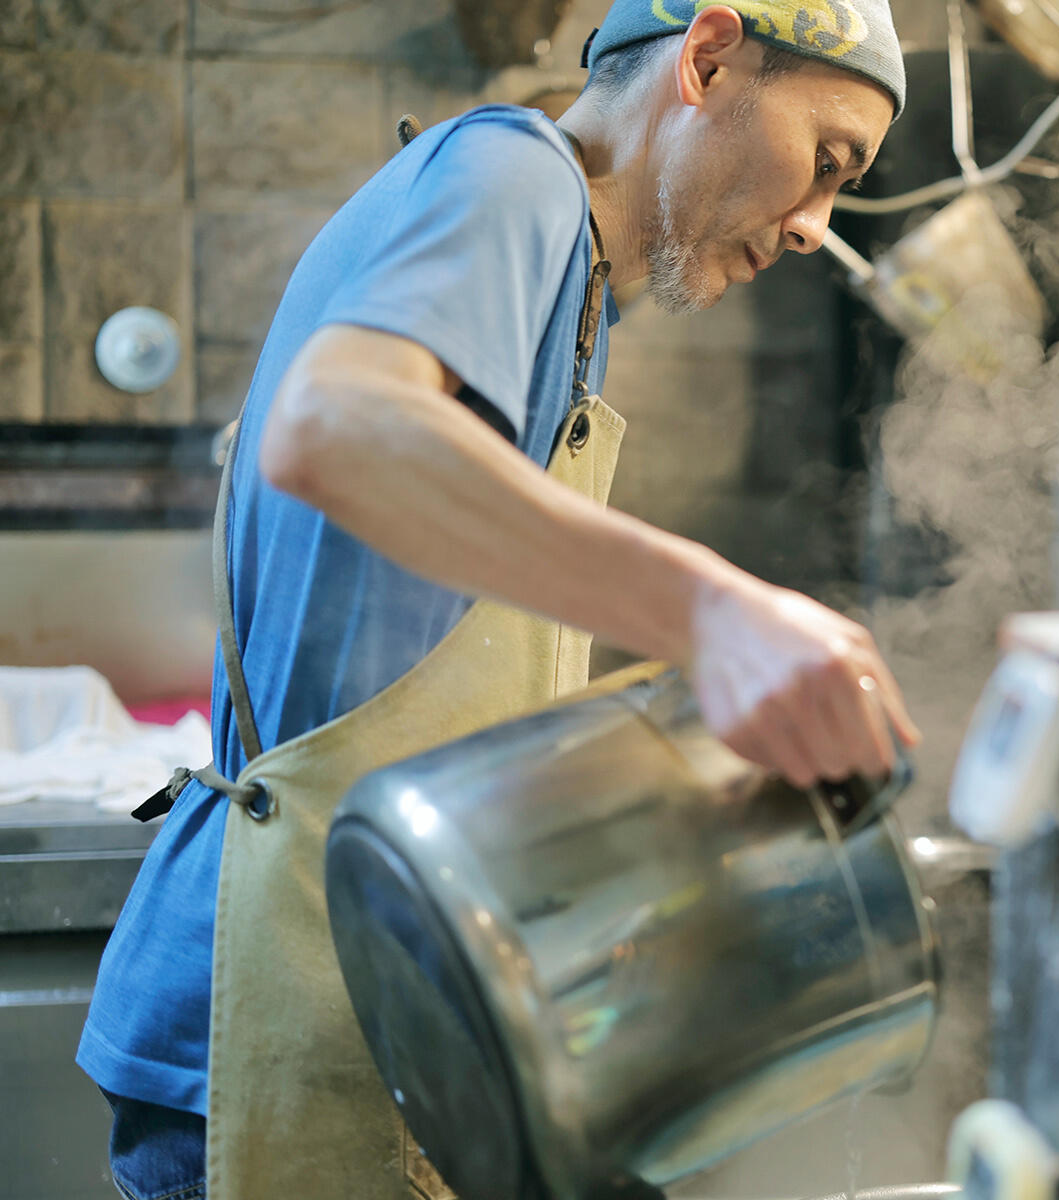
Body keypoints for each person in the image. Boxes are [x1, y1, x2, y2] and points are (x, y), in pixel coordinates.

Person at [77, 2, 913, 1196]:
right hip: (268, 995)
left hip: (362, 984)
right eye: (826, 163)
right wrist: (714, 614)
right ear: (710, 57)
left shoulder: (577, 293)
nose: (813, 226)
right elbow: (336, 428)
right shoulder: (512, 172)